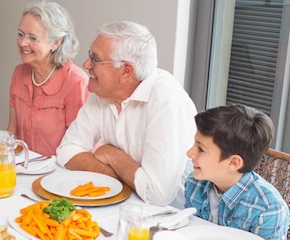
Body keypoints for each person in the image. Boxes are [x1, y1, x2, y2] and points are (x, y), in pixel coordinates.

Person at [56, 21, 197, 206]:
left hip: (169, 219)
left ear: (126, 71)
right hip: (122, 205)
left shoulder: (167, 100)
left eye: (95, 59)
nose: (86, 64)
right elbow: (66, 151)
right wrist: (117, 175)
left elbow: (157, 195)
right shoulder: (103, 91)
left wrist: (113, 156)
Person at [184, 104, 289, 240]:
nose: (189, 152)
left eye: (201, 149)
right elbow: (190, 236)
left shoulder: (268, 209)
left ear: (233, 163)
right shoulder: (194, 183)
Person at [7, 0, 89, 157]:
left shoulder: (76, 83)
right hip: (24, 169)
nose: (23, 43)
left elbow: (80, 150)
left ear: (56, 43)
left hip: (60, 175)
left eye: (33, 38)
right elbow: (12, 133)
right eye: (20, 34)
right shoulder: (19, 73)